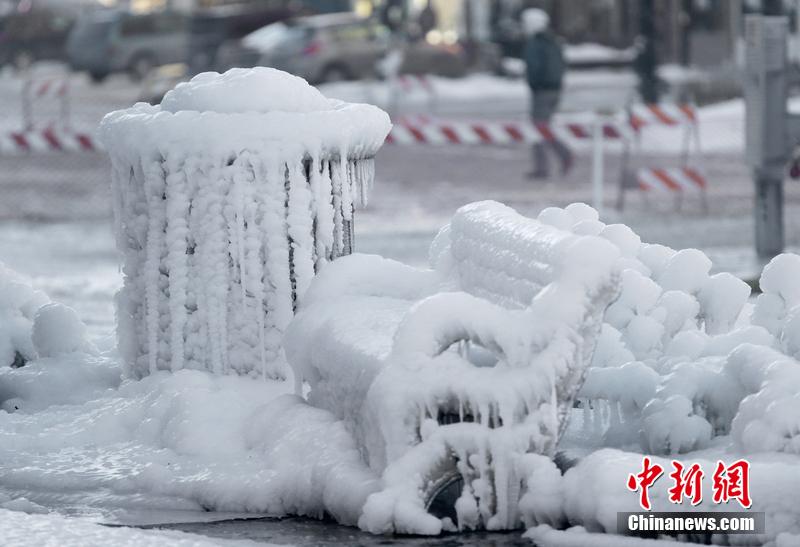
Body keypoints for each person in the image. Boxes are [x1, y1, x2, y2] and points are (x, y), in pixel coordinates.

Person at [522, 8, 572, 179]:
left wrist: (536, 84)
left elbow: (535, 67)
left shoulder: (536, 43)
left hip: (542, 90)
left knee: (538, 128)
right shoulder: (553, 41)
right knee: (543, 127)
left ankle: (546, 165)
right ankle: (558, 157)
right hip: (553, 89)